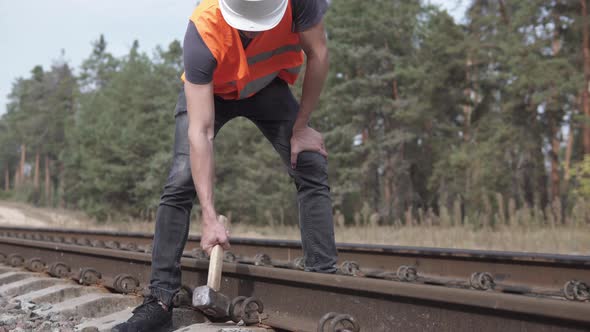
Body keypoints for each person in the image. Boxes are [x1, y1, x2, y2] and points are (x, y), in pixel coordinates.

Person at [112, 0, 337, 330]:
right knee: (180, 179)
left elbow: (319, 55)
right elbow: (201, 132)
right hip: (212, 92)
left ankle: (323, 281)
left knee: (309, 162)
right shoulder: (203, 29)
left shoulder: (299, 2)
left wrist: (301, 127)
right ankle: (159, 299)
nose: (249, 30)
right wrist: (208, 216)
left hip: (266, 86)